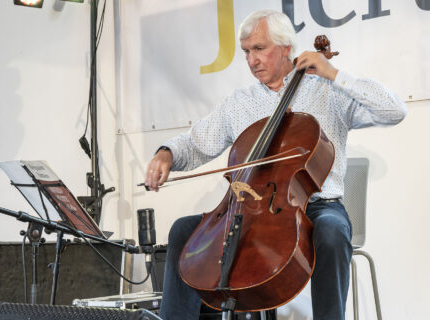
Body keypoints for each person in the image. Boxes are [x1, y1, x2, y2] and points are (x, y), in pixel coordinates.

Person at [145, 9, 406, 320]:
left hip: (318, 206)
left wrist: (334, 73)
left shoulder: (327, 92)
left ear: (286, 48)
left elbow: (394, 110)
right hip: (251, 208)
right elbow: (197, 142)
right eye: (245, 52)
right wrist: (167, 154)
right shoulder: (240, 102)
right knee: (184, 231)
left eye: (259, 49)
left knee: (332, 233)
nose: (251, 60)